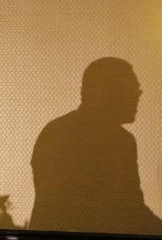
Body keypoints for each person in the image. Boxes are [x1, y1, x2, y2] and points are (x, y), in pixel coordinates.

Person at [29, 57, 162, 235]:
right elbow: (129, 210)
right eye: (132, 88)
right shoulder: (118, 140)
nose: (138, 95)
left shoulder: (56, 130)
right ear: (108, 90)